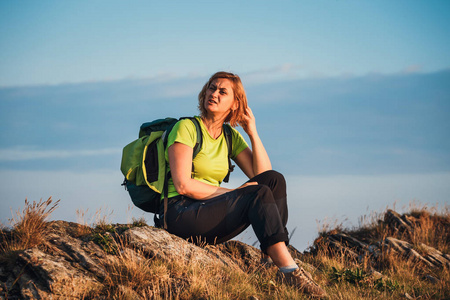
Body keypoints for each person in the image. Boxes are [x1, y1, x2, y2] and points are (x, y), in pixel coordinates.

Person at [160, 71, 327, 297]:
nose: (214, 94)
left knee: (274, 180)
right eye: (211, 88)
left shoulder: (229, 136)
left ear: (235, 103)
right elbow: (183, 185)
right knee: (254, 193)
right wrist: (235, 193)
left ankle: (270, 260)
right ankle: (290, 271)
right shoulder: (187, 128)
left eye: (222, 91)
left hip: (208, 212)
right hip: (180, 213)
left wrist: (252, 133)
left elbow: (263, 176)